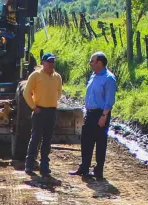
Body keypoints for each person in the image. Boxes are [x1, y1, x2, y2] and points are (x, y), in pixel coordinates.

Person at [70, 52, 116, 181]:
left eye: (92, 61)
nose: (90, 63)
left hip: (101, 113)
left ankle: (98, 170)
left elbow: (110, 99)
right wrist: (86, 112)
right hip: (90, 113)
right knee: (86, 141)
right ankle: (84, 167)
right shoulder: (93, 76)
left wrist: (104, 115)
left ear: (99, 63)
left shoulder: (109, 78)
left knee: (100, 142)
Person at [23, 52, 62, 176]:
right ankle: (29, 165)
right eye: (48, 62)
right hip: (39, 111)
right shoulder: (35, 75)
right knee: (35, 138)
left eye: (52, 62)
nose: (51, 64)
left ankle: (45, 166)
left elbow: (59, 94)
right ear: (43, 63)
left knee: (47, 140)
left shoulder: (57, 77)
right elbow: (26, 93)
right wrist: (34, 107)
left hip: (51, 111)